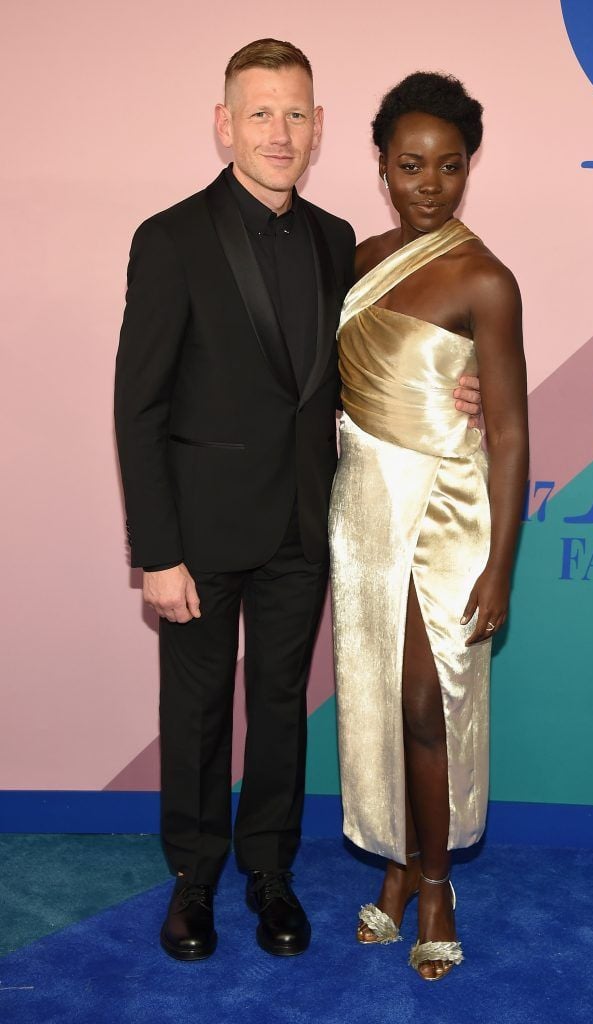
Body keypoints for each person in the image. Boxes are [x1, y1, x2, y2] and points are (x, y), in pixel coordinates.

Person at [114, 40, 484, 961]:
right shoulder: (169, 238)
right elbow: (138, 403)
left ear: (318, 132)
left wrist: (457, 386)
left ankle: (268, 874)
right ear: (225, 124)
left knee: (280, 704)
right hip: (196, 536)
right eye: (260, 113)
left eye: (295, 115)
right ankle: (193, 882)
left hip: (302, 526)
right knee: (195, 713)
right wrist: (155, 551)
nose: (278, 132)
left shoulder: (335, 244)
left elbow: (376, 359)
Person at [329, 72, 528, 981]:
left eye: (449, 167)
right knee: (374, 697)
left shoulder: (484, 277)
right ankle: (398, 864)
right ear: (380, 165)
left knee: (422, 701)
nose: (428, 185)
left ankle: (436, 883)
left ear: (466, 171)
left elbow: (514, 430)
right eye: (409, 165)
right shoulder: (356, 258)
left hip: (446, 514)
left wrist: (501, 569)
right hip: (365, 510)